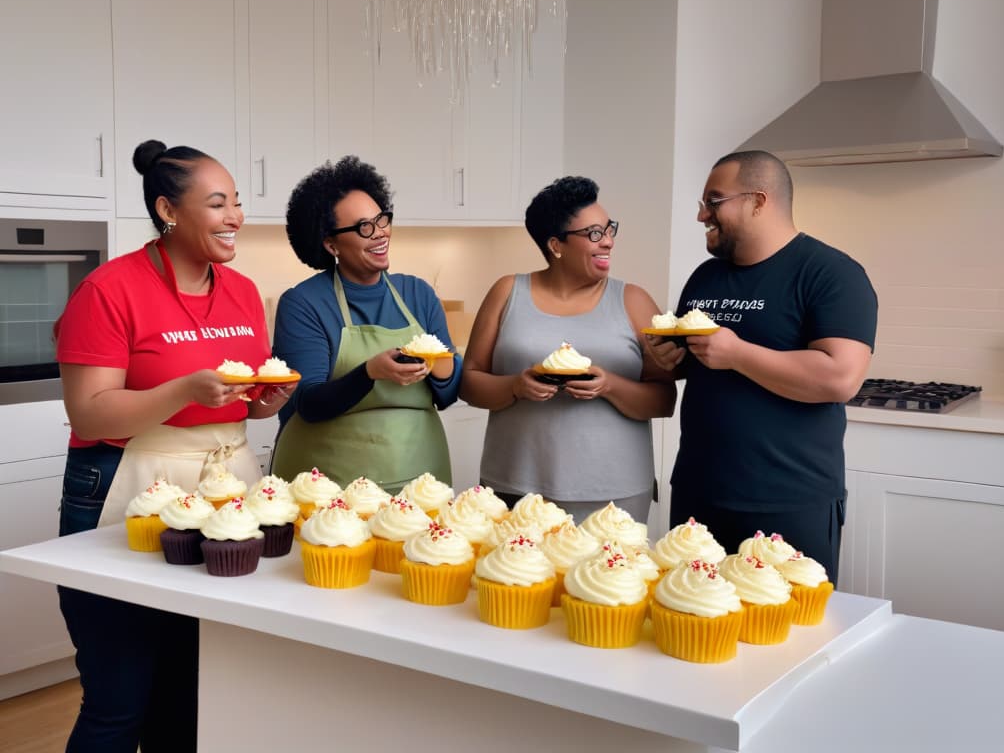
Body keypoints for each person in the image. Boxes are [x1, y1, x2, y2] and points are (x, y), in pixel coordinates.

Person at [54, 139, 293, 751]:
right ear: (168, 209)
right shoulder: (110, 290)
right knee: (119, 701)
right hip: (122, 487)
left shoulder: (241, 291)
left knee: (189, 694)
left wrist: (262, 400)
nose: (235, 215)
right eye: (218, 203)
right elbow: (88, 409)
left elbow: (240, 389)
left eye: (237, 202)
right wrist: (181, 388)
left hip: (220, 494)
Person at [647, 150, 877, 582]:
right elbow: (699, 362)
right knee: (691, 631)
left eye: (713, 201)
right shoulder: (705, 277)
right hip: (699, 495)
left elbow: (841, 377)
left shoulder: (831, 273)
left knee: (791, 641)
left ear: (758, 200)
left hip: (788, 503)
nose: (701, 216)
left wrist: (737, 353)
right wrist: (670, 360)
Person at [460, 176, 677, 524]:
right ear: (556, 245)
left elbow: (664, 401)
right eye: (593, 234)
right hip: (515, 485)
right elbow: (469, 383)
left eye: (609, 230)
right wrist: (516, 386)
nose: (607, 242)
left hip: (614, 495)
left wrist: (609, 386)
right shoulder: (506, 291)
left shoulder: (634, 301)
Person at [270, 156, 461, 491]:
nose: (380, 234)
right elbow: (309, 404)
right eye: (363, 228)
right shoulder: (304, 303)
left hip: (420, 482)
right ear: (330, 244)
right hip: (330, 487)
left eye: (381, 219)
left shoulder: (418, 294)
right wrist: (369, 372)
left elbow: (446, 396)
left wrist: (443, 364)